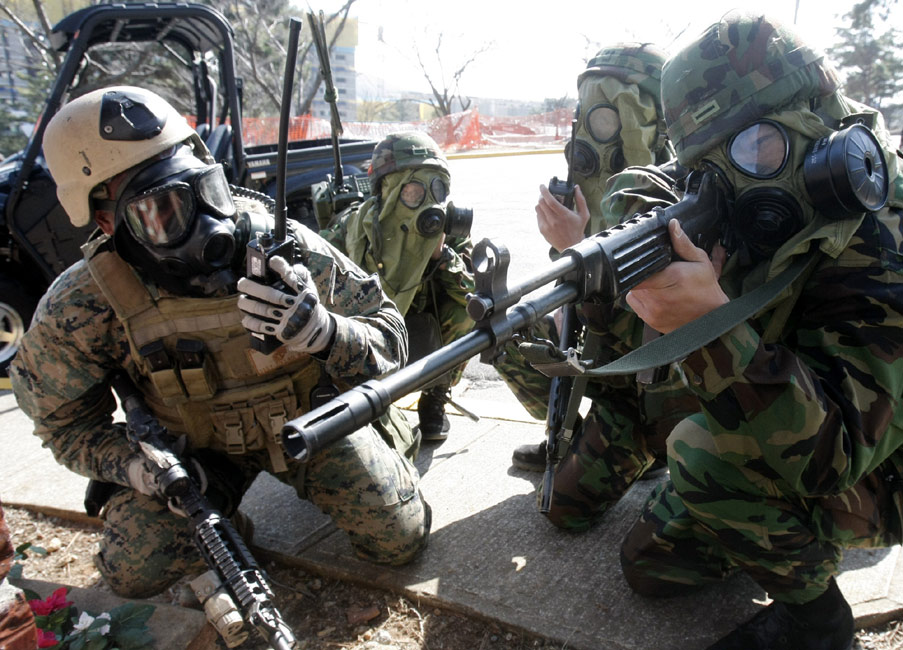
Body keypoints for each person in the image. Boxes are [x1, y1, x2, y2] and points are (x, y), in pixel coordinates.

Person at [547, 12, 903, 650]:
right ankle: (779, 529)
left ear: (821, 125)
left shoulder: (886, 236)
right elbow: (673, 181)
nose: (741, 176)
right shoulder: (760, 183)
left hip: (874, 459)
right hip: (803, 401)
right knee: (650, 568)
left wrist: (710, 327)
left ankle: (819, 624)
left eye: (757, 147)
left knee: (701, 453)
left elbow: (833, 456)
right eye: (708, 166)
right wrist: (635, 227)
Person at [8, 87, 430, 608]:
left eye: (209, 191)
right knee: (133, 569)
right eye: (165, 210)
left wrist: (325, 333)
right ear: (107, 223)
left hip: (309, 428)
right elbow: (65, 425)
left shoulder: (282, 246)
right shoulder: (85, 301)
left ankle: (390, 440)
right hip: (198, 457)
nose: (209, 225)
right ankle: (226, 516)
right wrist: (137, 468)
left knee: (397, 540)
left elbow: (389, 336)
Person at [493, 42, 678, 473]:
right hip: (600, 339)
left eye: (619, 113)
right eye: (593, 112)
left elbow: (649, 324)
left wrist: (573, 246)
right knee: (504, 329)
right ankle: (568, 432)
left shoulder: (678, 194)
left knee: (567, 507)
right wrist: (567, 260)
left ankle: (650, 445)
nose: (602, 128)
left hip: (648, 369)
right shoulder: (590, 181)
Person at [321, 131, 475, 443]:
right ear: (388, 190)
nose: (427, 202)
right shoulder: (354, 229)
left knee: (466, 313)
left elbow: (475, 296)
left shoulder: (445, 228)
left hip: (420, 324)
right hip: (367, 329)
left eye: (437, 189)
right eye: (414, 191)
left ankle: (435, 395)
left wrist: (443, 257)